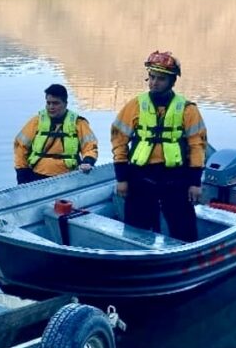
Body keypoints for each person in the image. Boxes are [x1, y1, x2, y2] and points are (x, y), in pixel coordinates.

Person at [110, 51, 207, 242]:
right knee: (135, 232)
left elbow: (197, 146)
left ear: (172, 81)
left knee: (184, 230)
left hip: (176, 179)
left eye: (161, 79)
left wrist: (195, 183)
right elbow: (119, 141)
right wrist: (122, 179)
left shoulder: (188, 110)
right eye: (152, 77)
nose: (154, 83)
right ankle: (135, 262)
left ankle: (184, 261)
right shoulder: (135, 106)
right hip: (141, 177)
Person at [14, 84, 98, 184]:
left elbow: (90, 147)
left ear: (65, 104)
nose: (51, 107)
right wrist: (21, 172)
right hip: (36, 176)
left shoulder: (78, 123)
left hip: (68, 176)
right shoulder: (36, 121)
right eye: (48, 103)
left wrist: (87, 162)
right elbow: (20, 147)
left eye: (55, 103)